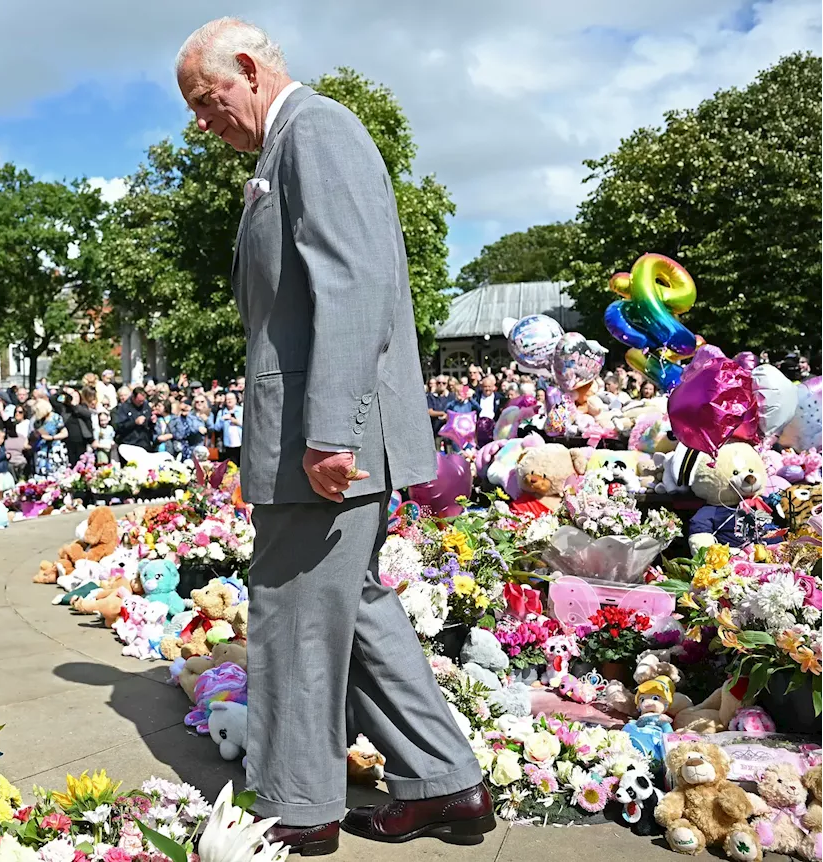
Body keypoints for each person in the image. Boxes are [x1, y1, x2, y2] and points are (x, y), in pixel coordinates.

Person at [175, 19, 491, 855]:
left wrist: (329, 432)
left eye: (209, 102)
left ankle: (298, 805)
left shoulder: (315, 131)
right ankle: (446, 785)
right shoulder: (291, 147)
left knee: (291, 614)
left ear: (247, 69)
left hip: (320, 437)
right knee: (346, 606)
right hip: (315, 430)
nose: (205, 124)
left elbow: (355, 285)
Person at [30, 399, 68, 477]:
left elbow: (65, 433)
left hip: (54, 449)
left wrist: (52, 437)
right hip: (42, 450)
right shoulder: (37, 421)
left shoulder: (56, 417)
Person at [210, 391, 243, 464]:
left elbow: (248, 426)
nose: (229, 400)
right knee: (231, 465)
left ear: (236, 400)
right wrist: (222, 419)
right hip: (228, 444)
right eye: (227, 399)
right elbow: (216, 428)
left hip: (241, 442)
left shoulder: (242, 410)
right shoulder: (221, 412)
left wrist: (236, 422)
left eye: (231, 398)